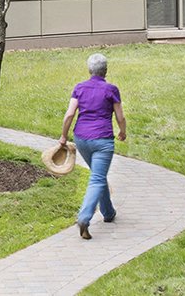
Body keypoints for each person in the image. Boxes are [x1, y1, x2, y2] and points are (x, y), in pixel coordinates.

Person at [57, 52, 127, 240]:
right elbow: (120, 116)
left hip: (81, 139)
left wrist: (64, 136)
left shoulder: (79, 88)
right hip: (103, 140)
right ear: (105, 70)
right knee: (97, 178)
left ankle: (108, 212)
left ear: (89, 70)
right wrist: (123, 131)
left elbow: (69, 115)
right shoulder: (111, 89)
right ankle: (84, 217)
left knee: (97, 174)